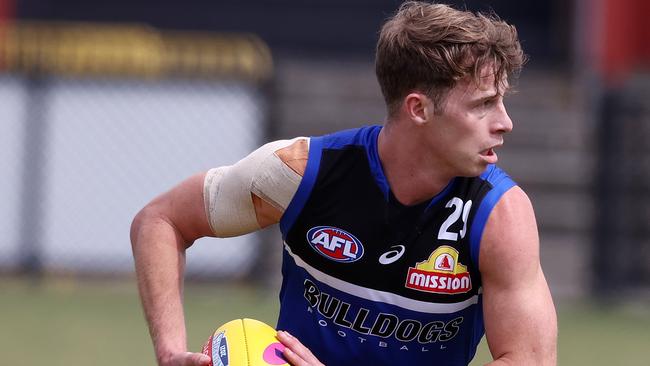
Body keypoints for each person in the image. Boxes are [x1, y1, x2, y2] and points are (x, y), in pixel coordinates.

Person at [130, 1, 558, 365]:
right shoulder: (301, 172)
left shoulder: (499, 214)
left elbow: (531, 360)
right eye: (484, 104)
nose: (505, 122)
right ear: (419, 109)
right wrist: (169, 350)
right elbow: (160, 221)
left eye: (501, 101)